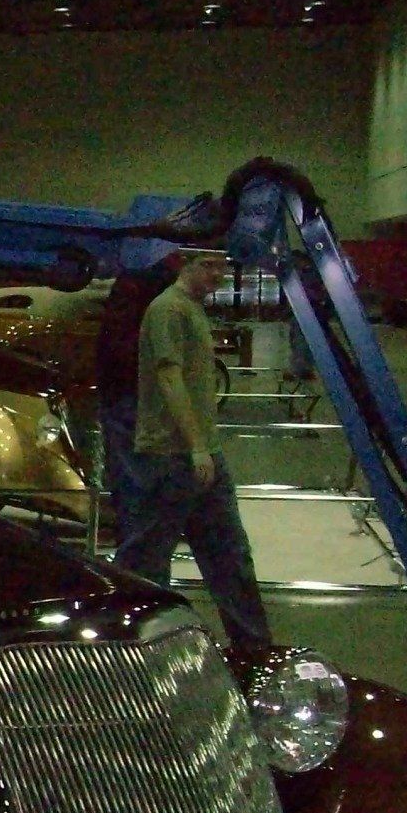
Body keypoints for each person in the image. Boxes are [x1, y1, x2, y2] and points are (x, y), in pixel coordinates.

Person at [114, 250, 272, 652]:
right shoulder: (168, 310)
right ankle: (131, 647)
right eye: (210, 266)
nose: (218, 274)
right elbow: (169, 379)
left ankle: (253, 648)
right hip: (171, 456)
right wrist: (196, 446)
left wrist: (206, 449)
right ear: (185, 266)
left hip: (203, 456)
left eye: (223, 266)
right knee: (146, 562)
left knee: (230, 556)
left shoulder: (192, 310)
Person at [94, 255, 181, 504]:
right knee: (140, 492)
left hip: (130, 395)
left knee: (138, 490)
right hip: (133, 397)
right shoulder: (151, 281)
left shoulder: (140, 278)